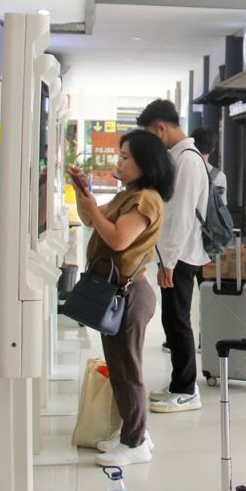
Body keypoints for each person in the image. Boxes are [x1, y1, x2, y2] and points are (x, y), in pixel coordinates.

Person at [69, 130, 174, 466]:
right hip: (117, 291)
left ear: (145, 163)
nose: (120, 162)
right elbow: (91, 219)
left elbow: (117, 239)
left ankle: (135, 441)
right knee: (119, 367)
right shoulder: (129, 195)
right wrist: (83, 196)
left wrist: (91, 208)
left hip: (128, 293)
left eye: (126, 157)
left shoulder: (146, 200)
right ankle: (134, 430)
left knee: (127, 369)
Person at [138, 99, 211, 414]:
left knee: (178, 320)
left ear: (160, 129)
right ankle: (178, 383)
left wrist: (168, 261)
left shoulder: (188, 161)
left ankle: (186, 389)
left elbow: (181, 216)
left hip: (182, 255)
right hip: (176, 253)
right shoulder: (178, 157)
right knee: (172, 318)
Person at [190, 126, 227, 198]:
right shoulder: (220, 176)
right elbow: (221, 203)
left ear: (192, 145)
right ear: (213, 149)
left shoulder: (184, 169)